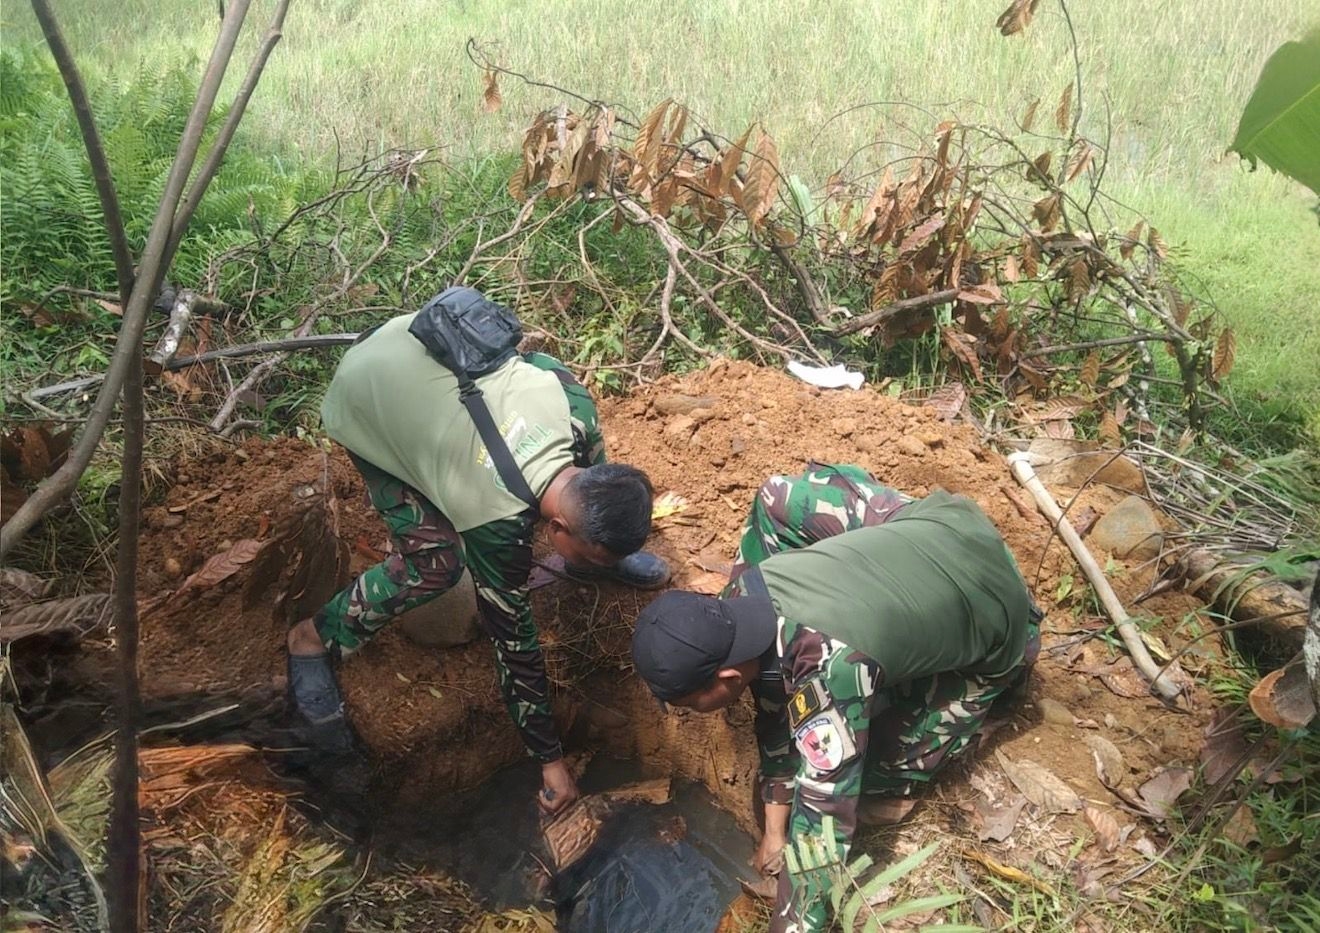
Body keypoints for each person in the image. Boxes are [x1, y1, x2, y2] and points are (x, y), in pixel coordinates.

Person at [287, 298, 670, 815]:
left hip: (414, 350)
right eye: (593, 552)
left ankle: (599, 554)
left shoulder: (569, 398)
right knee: (437, 564)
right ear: (555, 528)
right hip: (369, 392)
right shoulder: (496, 525)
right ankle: (313, 638)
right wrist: (550, 761)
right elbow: (515, 646)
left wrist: (603, 547)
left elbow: (588, 459)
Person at [631, 465, 1040, 932]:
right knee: (778, 499)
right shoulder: (744, 593)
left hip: (1001, 612)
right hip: (942, 527)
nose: (691, 715)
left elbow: (825, 823)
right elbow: (773, 702)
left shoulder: (832, 667)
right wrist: (773, 829)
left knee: (883, 777)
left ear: (724, 677)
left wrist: (792, 923)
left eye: (688, 704)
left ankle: (985, 693)